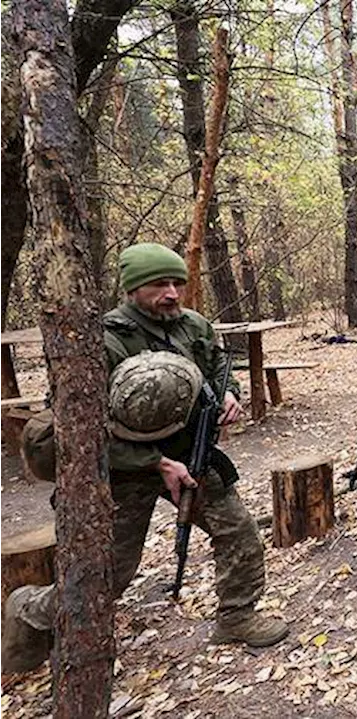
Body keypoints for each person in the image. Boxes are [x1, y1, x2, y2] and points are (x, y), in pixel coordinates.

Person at [0, 243, 288, 674]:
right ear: (132, 288)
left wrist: (229, 395)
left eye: (177, 283)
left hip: (191, 454)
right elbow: (77, 429)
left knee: (239, 531)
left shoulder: (194, 327)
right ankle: (29, 610)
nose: (171, 293)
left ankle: (237, 616)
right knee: (111, 573)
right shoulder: (103, 339)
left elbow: (215, 374)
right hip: (124, 468)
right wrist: (154, 462)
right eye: (159, 284)